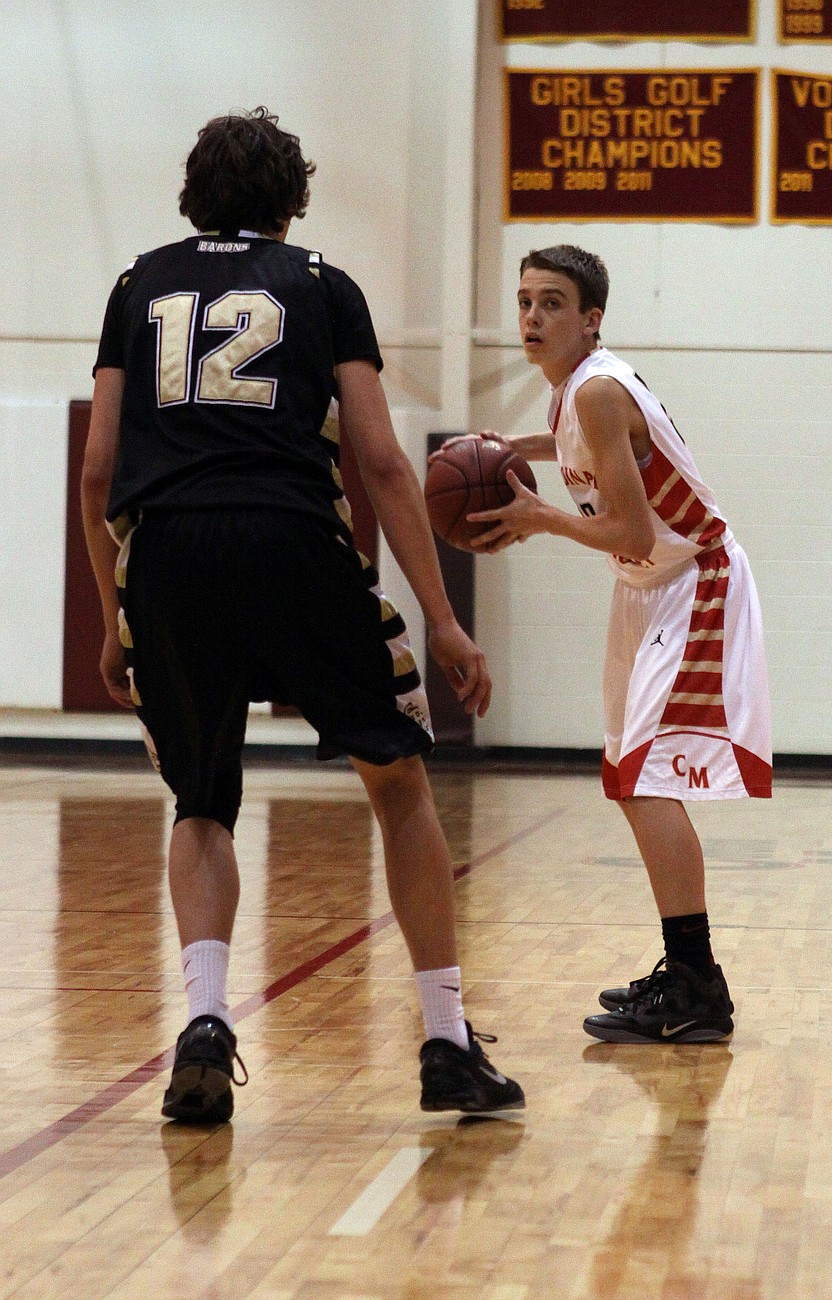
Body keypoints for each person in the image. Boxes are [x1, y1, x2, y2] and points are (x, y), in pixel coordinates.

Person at [81, 107, 524, 1122]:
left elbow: (100, 470)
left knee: (200, 800)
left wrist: (114, 616)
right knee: (397, 780)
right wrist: (442, 618)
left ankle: (205, 1020)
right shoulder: (322, 284)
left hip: (170, 553)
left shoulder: (135, 285)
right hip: (292, 540)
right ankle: (447, 1041)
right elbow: (382, 464)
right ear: (292, 202)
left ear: (192, 196)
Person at [464, 243, 771, 1043]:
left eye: (552, 303)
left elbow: (632, 528)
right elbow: (586, 460)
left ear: (590, 319)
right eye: (525, 301)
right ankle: (688, 975)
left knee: (644, 779)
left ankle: (697, 985)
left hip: (693, 580)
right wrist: (510, 447)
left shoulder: (599, 390)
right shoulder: (572, 394)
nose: (532, 316)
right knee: (626, 775)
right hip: (643, 587)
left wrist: (540, 518)